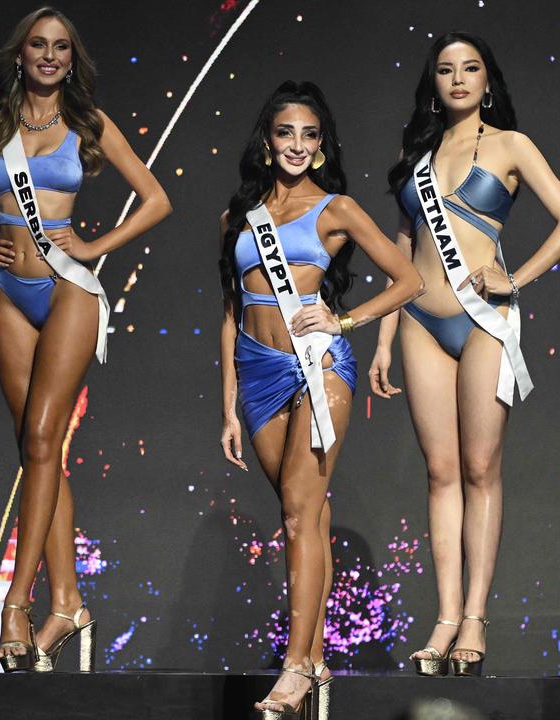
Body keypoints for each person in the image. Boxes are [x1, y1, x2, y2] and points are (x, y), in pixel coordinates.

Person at [0, 6, 170, 673]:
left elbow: (156, 199)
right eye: (39, 44)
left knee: (40, 442)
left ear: (71, 58)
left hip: (68, 292)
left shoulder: (88, 124)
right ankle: (68, 602)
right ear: (21, 53)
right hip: (8, 295)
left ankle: (16, 604)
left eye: (62, 46)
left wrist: (94, 245)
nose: (50, 55)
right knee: (35, 452)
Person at [371, 31, 560, 677]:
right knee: (439, 472)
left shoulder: (510, 146)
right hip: (418, 323)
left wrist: (516, 279)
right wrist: (381, 336)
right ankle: (443, 614)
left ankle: (475, 619)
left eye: (471, 69)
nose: (458, 79)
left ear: (488, 81)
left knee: (480, 465)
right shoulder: (417, 156)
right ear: (432, 82)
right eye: (446, 69)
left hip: (484, 321)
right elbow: (400, 249)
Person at [218, 81, 422, 719]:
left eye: (310, 135)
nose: (298, 146)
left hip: (319, 368)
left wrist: (347, 322)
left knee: (299, 518)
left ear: (323, 143)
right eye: (286, 133)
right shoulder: (237, 218)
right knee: (304, 512)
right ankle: (315, 660)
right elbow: (230, 312)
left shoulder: (336, 207)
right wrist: (227, 403)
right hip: (256, 371)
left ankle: (296, 665)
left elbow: (409, 279)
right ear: (267, 140)